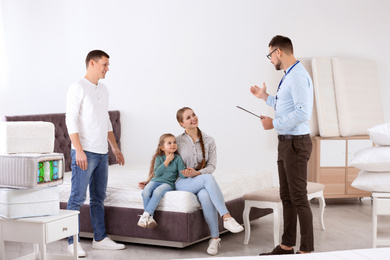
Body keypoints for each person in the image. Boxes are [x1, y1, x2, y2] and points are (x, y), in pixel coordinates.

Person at [250, 35, 314, 255]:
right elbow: (285, 103)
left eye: (270, 55)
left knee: (298, 198)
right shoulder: (289, 75)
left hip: (296, 144)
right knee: (287, 197)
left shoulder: (297, 76)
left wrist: (273, 123)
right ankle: (287, 246)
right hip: (286, 143)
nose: (270, 60)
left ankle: (306, 251)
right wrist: (264, 96)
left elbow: (303, 113)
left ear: (278, 52)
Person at [65, 50, 126, 257]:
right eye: (105, 64)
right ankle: (72, 242)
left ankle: (100, 238)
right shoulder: (77, 87)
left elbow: (106, 119)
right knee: (77, 198)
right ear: (92, 63)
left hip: (101, 153)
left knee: (98, 198)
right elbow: (70, 121)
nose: (107, 69)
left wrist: (115, 149)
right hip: (85, 152)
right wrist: (79, 151)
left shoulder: (104, 89)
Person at [175, 107, 244, 256]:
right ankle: (226, 217)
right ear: (182, 123)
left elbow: (212, 166)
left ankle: (214, 238)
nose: (193, 118)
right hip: (182, 182)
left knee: (206, 195)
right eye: (188, 118)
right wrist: (150, 180)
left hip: (199, 180)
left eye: (193, 114)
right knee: (208, 178)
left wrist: (197, 173)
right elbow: (164, 161)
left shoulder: (209, 140)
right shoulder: (177, 141)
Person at [138, 133, 186, 229]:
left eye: (174, 142)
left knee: (157, 192)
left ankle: (145, 215)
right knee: (145, 192)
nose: (173, 145)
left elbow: (182, 175)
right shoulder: (159, 158)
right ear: (162, 147)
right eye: (169, 143)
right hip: (156, 180)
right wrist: (167, 161)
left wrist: (186, 173)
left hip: (168, 183)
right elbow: (157, 173)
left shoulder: (178, 159)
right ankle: (150, 218)